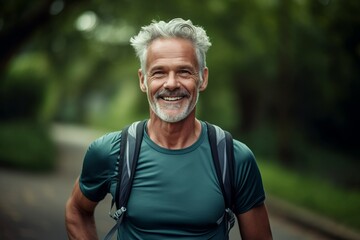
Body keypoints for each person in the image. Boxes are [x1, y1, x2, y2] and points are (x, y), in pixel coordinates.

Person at [65, 18, 272, 240]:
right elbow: (77, 211)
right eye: (159, 72)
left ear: (202, 78)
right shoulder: (110, 151)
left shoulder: (234, 158)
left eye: (184, 71)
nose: (171, 83)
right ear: (143, 80)